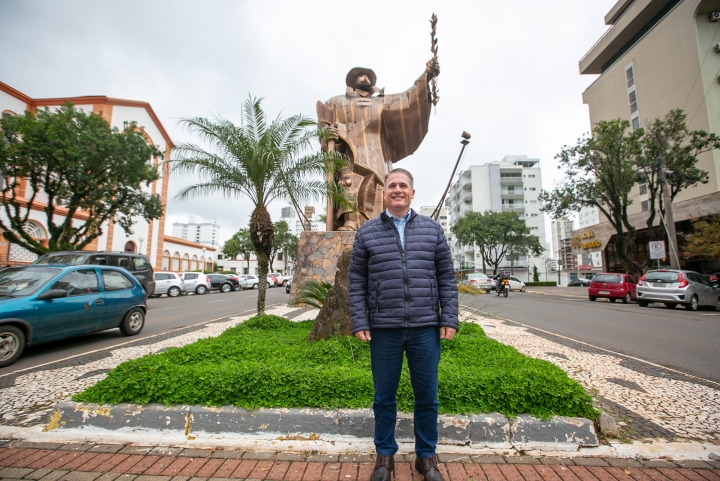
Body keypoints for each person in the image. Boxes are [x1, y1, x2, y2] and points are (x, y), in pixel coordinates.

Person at [348, 168, 458, 481]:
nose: (398, 190)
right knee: (384, 398)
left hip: (425, 327)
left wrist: (449, 317)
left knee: (427, 396)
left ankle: (426, 457)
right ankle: (384, 456)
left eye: (403, 185)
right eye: (392, 185)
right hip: (384, 329)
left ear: (412, 192)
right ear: (385, 193)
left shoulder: (432, 230)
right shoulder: (367, 232)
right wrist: (359, 319)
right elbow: (356, 280)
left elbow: (446, 278)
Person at [317, 60, 439, 231]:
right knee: (348, 183)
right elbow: (325, 120)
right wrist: (327, 134)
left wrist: (425, 77)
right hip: (349, 153)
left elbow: (408, 99)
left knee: (379, 189)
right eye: (361, 75)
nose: (365, 78)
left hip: (377, 155)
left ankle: (381, 225)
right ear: (352, 81)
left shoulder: (382, 102)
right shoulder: (336, 102)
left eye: (368, 76)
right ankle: (350, 221)